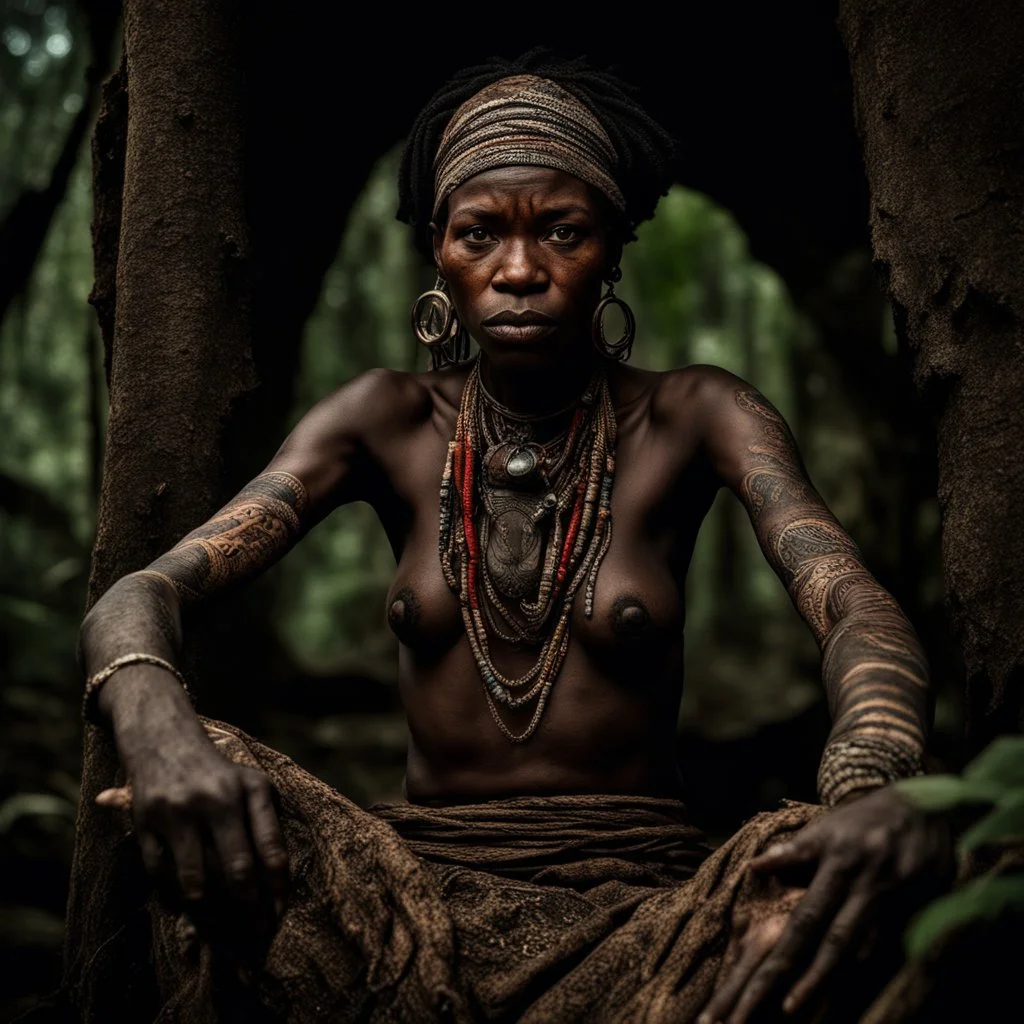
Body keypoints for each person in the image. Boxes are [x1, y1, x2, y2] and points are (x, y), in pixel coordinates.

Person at [72, 53, 950, 1023]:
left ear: (611, 247)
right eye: (481, 233)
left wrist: (874, 775)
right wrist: (164, 737)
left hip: (650, 910)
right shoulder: (384, 420)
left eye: (562, 232)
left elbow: (848, 600)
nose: (521, 271)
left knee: (819, 892)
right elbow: (137, 594)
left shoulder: (695, 413)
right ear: (440, 250)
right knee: (211, 799)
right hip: (403, 911)